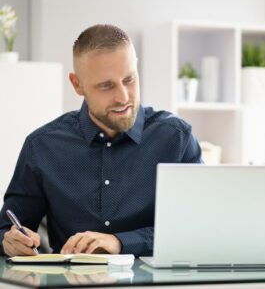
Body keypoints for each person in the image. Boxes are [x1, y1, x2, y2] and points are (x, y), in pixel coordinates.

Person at [0, 24, 202, 257]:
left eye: (129, 79)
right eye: (106, 86)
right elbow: (8, 228)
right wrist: (10, 241)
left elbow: (196, 228)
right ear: (77, 85)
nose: (123, 97)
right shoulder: (42, 147)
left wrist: (121, 242)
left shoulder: (176, 138)